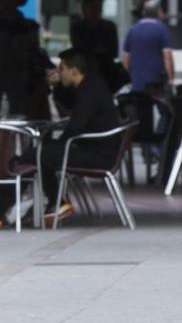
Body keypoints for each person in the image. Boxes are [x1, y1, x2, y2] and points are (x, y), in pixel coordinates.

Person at [39, 49, 122, 223]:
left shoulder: (89, 90)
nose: (58, 74)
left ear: (73, 70)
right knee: (42, 152)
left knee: (42, 154)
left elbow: (76, 125)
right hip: (95, 147)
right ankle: (19, 203)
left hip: (99, 154)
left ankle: (54, 202)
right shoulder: (91, 85)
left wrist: (60, 145)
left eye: (61, 69)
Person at [122, 1, 175, 94]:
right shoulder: (162, 29)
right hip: (155, 84)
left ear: (144, 13)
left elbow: (126, 59)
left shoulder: (132, 30)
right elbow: (167, 57)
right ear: (158, 12)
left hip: (136, 83)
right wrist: (171, 79)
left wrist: (124, 80)